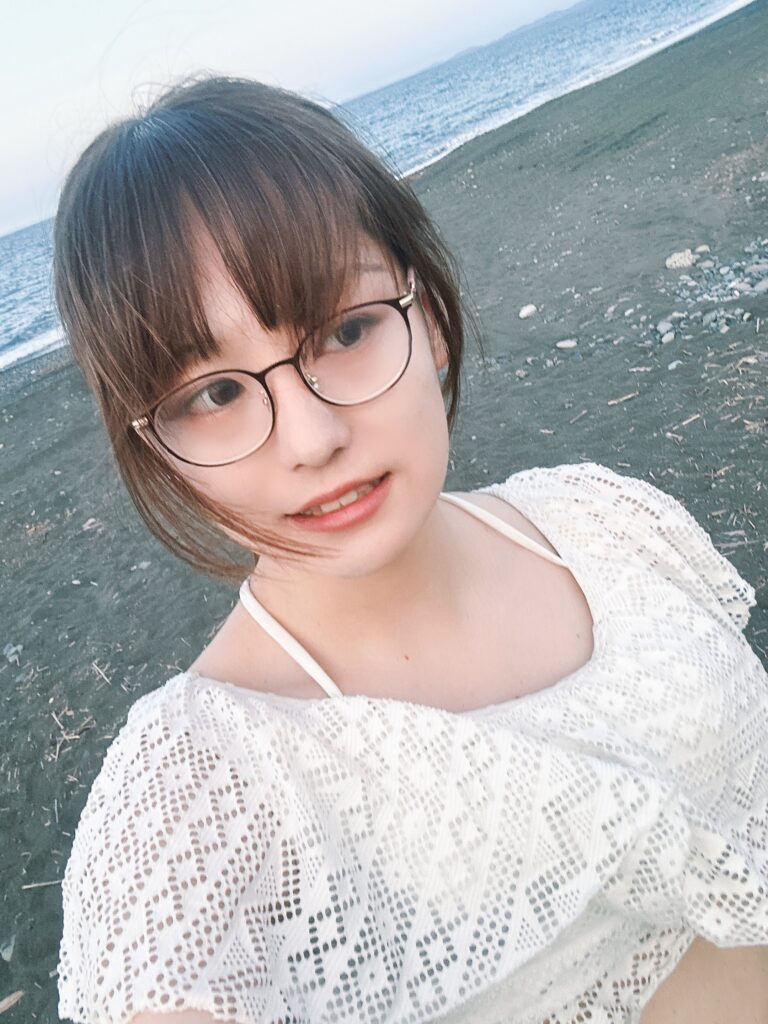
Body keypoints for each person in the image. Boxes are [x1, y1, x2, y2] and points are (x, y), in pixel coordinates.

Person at [54, 76, 768, 1024]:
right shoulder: (203, 782)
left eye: (344, 331)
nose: (311, 438)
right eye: (214, 395)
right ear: (159, 453)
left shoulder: (604, 518)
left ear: (425, 318)